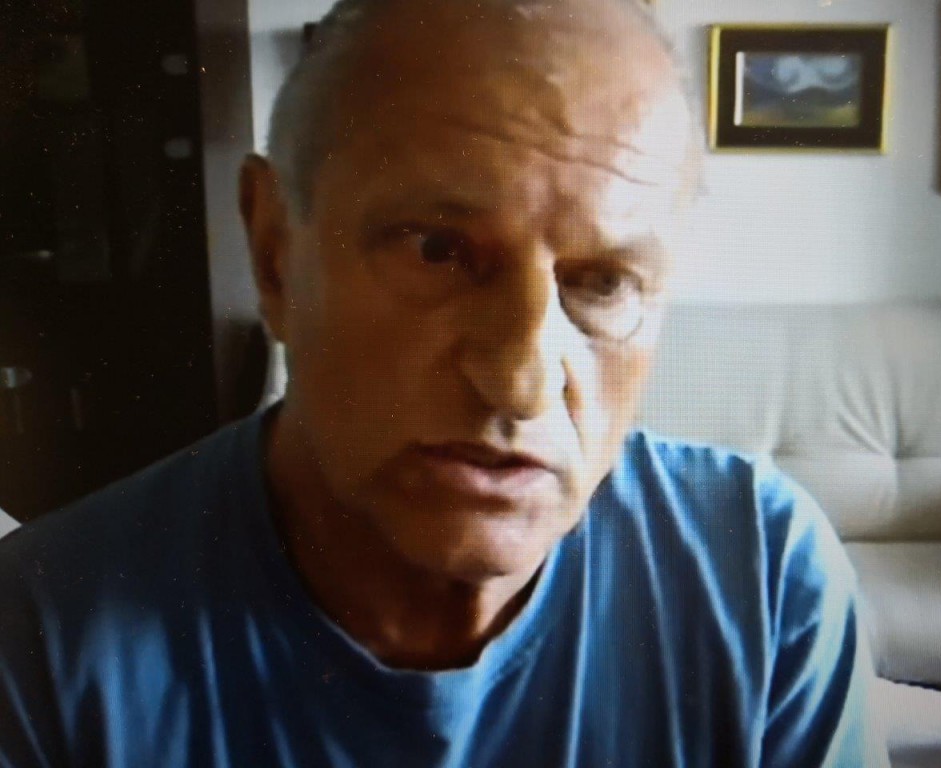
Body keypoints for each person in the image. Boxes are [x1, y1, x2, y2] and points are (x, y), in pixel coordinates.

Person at [0, 0, 887, 765]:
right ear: (274, 253)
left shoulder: (764, 584)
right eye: (437, 250)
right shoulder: (38, 637)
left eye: (606, 282)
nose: (521, 383)